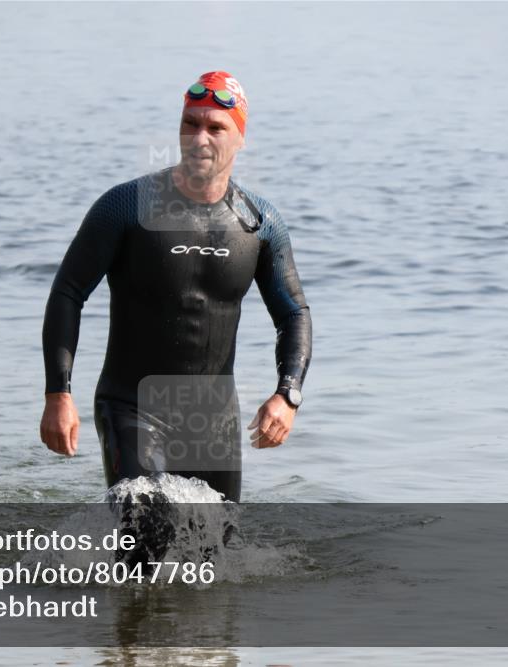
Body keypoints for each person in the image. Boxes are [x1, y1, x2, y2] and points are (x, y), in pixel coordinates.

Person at [40, 71, 312, 502]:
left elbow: (293, 313)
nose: (200, 137)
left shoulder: (259, 224)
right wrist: (59, 394)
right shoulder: (126, 207)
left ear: (240, 137)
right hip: (131, 408)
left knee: (213, 562)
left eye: (216, 127)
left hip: (214, 422)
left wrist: (287, 395)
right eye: (191, 123)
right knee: (146, 534)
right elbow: (68, 293)